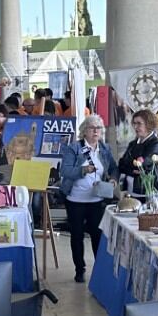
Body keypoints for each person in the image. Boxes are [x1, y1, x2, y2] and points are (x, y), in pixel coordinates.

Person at [57, 115, 117, 284]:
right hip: (75, 199)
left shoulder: (104, 149)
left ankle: (99, 270)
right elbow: (66, 171)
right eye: (92, 128)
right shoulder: (74, 148)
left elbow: (113, 168)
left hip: (96, 200)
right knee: (76, 235)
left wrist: (113, 179)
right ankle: (79, 269)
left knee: (97, 235)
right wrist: (82, 170)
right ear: (84, 131)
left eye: (99, 128)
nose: (96, 131)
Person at [117, 109, 158, 192]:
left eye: (139, 123)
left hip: (148, 189)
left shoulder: (155, 143)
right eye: (134, 123)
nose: (135, 127)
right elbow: (121, 165)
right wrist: (133, 170)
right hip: (130, 190)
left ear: (149, 124)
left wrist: (129, 166)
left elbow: (143, 164)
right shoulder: (132, 144)